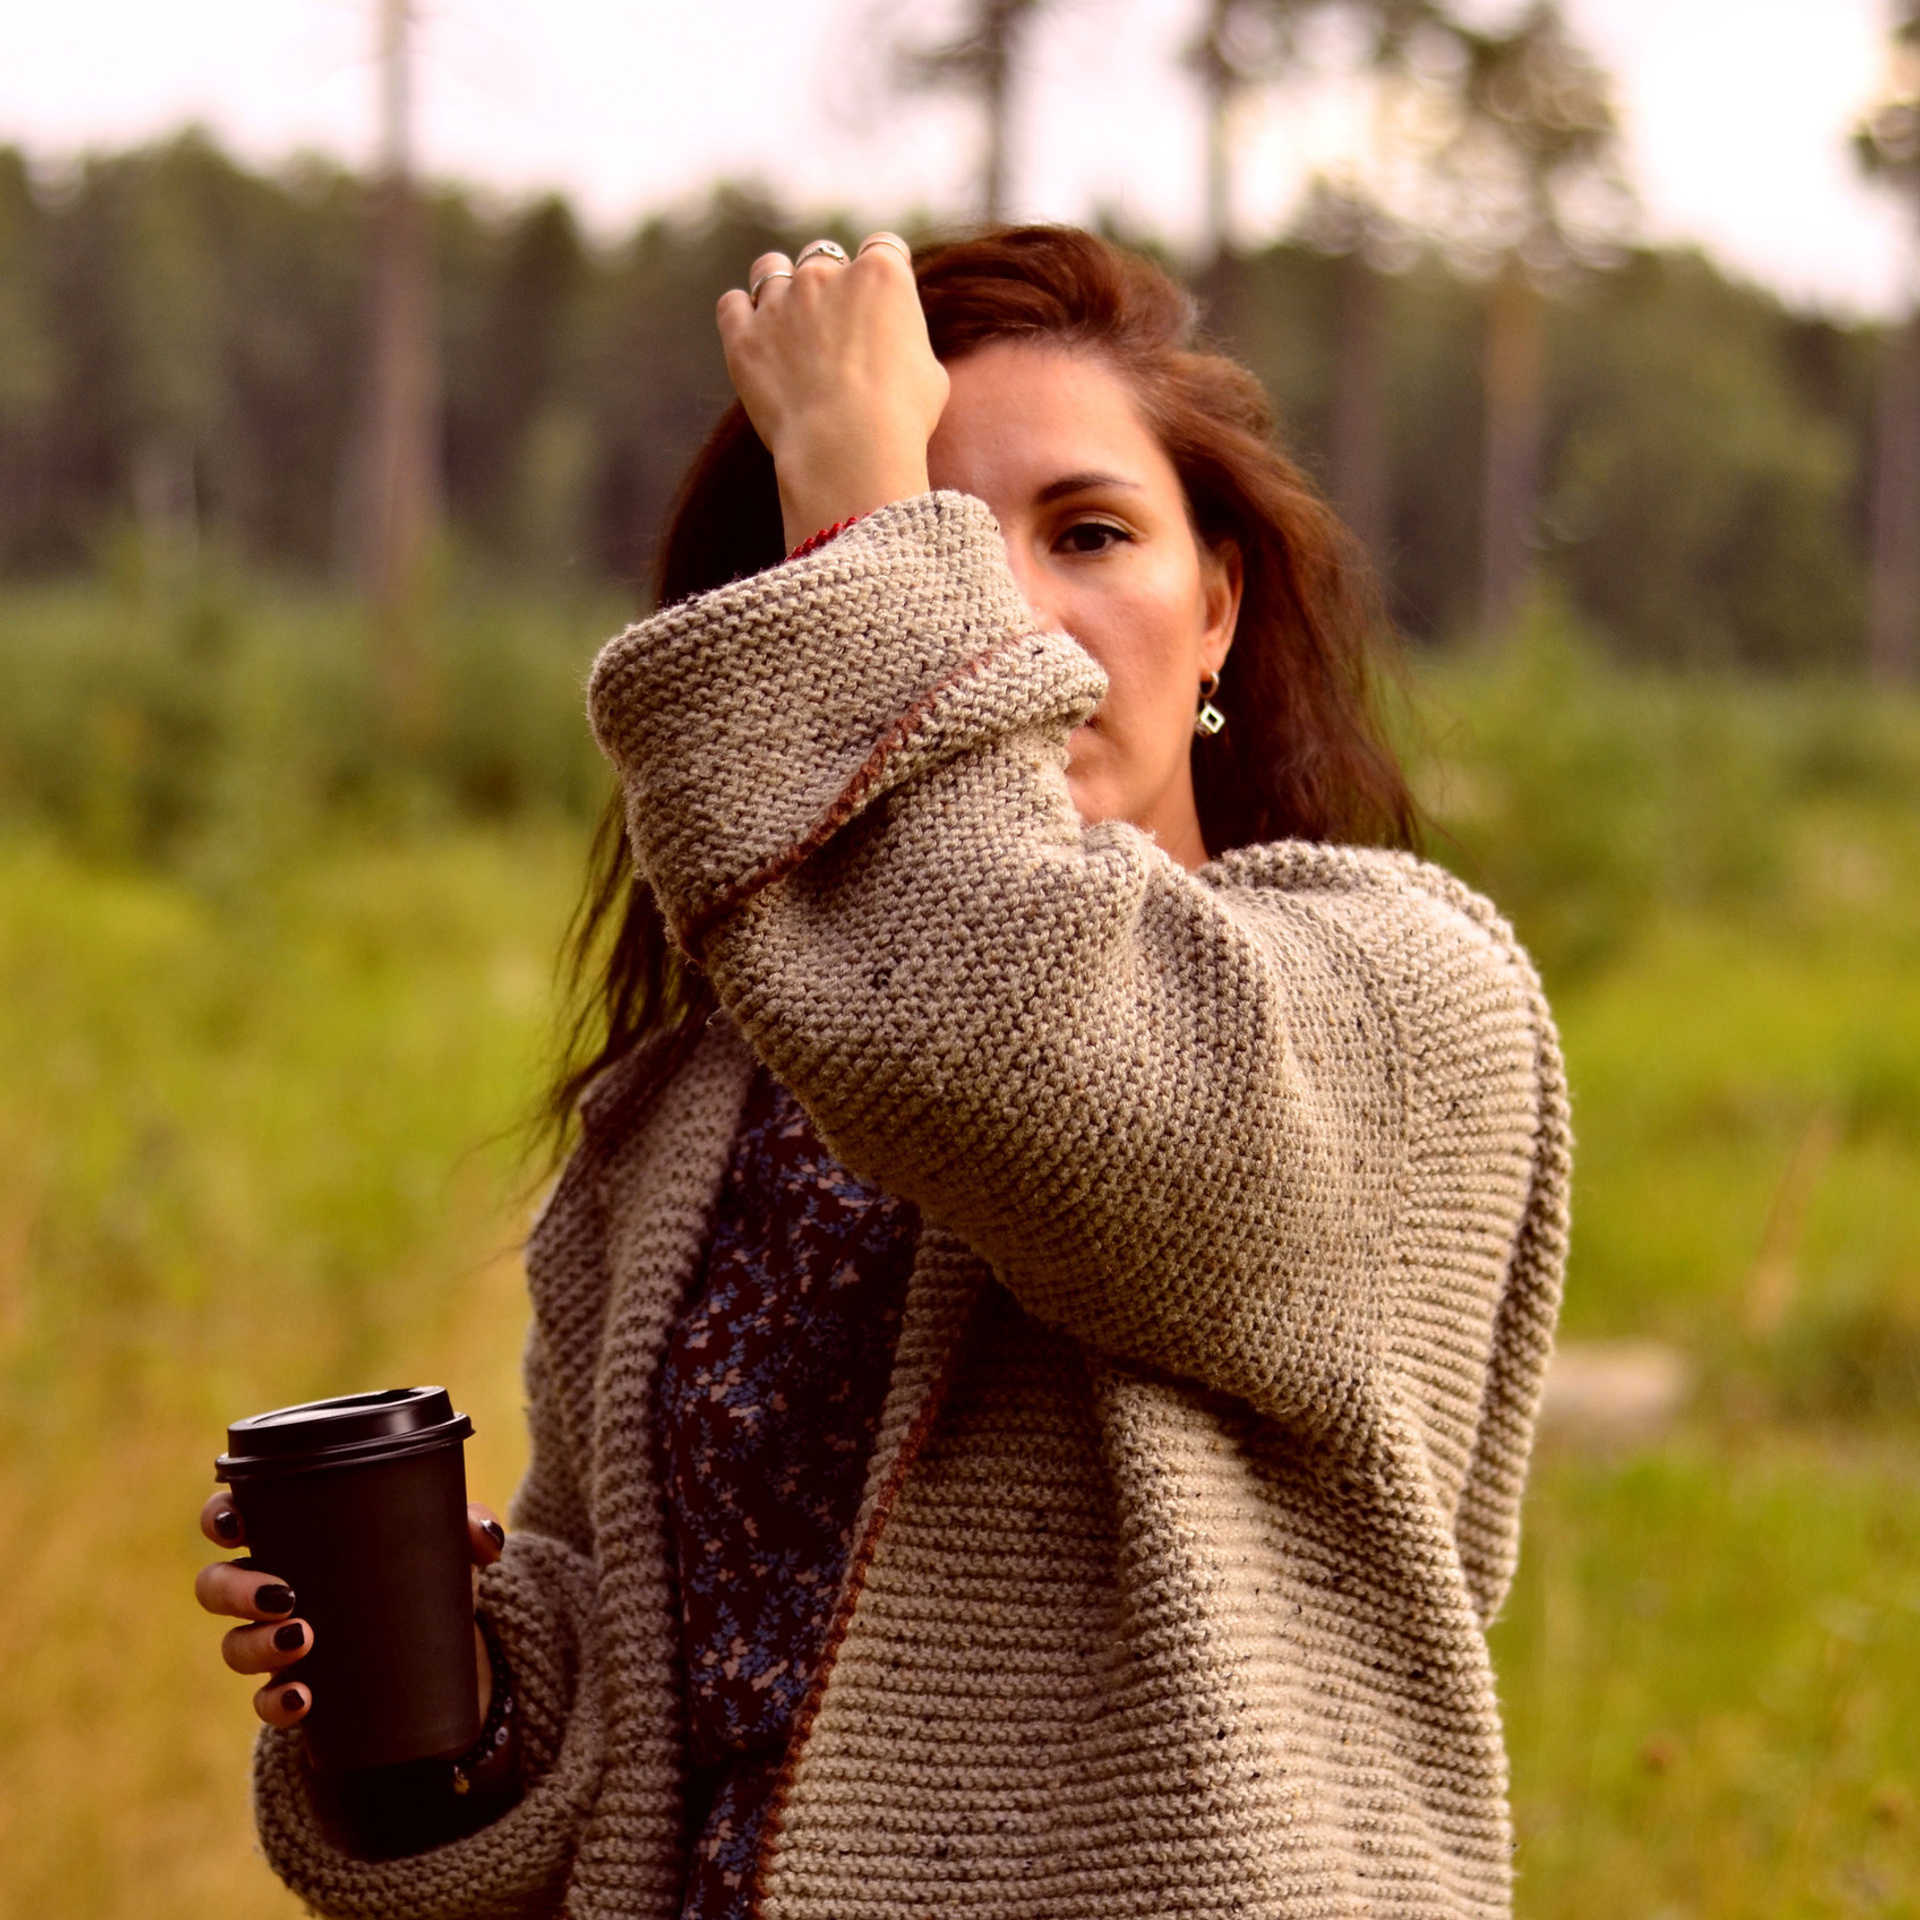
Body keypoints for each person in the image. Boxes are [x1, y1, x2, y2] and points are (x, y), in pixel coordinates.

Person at [196, 225, 1569, 1920]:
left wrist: (855, 489)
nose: (1016, 617)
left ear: (1216, 606)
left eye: (1087, 532)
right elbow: (655, 1698)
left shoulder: (1396, 1002)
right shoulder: (685, 1121)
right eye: (935, 534)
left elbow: (1012, 1023)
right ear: (790, 627)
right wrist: (458, 1701)